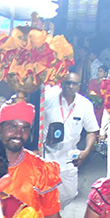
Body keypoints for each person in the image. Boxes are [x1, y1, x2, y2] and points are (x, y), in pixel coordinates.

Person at [0, 99, 62, 218]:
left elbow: (51, 212)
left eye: (25, 128)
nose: (18, 133)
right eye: (12, 127)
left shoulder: (40, 169)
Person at [41, 71, 99, 206]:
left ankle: (55, 212)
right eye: (67, 82)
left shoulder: (85, 104)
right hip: (45, 155)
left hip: (68, 157)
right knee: (41, 191)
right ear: (62, 83)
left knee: (70, 193)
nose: (70, 86)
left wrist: (86, 151)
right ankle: (49, 216)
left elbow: (92, 131)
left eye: (74, 84)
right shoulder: (47, 98)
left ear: (79, 86)